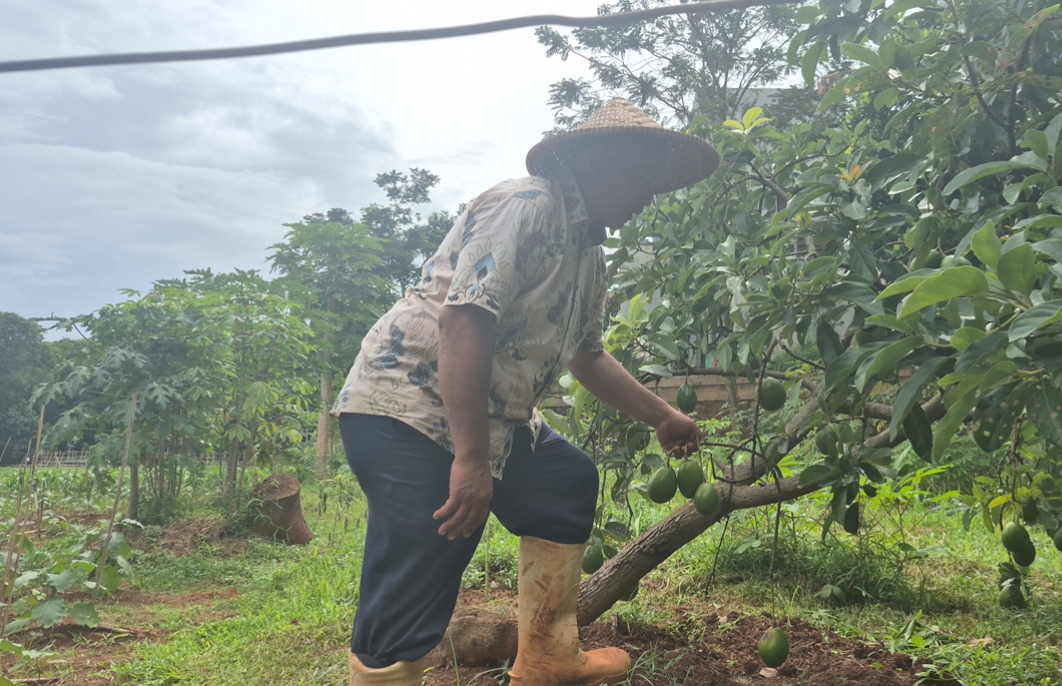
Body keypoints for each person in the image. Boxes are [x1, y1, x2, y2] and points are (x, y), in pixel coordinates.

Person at [333, 97, 719, 686]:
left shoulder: (588, 250)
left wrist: (662, 415)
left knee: (562, 482)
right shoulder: (526, 205)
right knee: (431, 548)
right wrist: (470, 460)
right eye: (642, 178)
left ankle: (548, 657)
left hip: (496, 414)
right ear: (598, 159)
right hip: (407, 407)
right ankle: (384, 676)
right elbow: (464, 321)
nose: (649, 195)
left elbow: (586, 355)